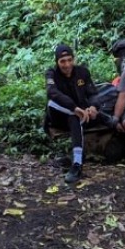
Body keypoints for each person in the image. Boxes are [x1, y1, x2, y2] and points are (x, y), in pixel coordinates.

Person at [45, 44, 108, 183]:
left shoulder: (82, 72)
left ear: (74, 59)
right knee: (56, 104)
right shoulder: (52, 74)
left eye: (69, 60)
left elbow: (93, 93)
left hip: (78, 116)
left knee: (75, 117)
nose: (67, 64)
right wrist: (74, 107)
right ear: (57, 62)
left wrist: (93, 106)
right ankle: (77, 163)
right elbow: (52, 93)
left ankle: (77, 164)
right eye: (62, 61)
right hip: (58, 116)